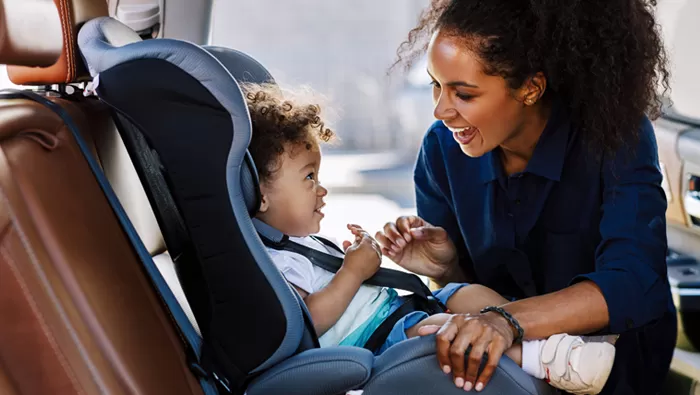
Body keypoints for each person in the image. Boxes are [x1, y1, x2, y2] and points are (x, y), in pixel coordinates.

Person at [376, 0, 677, 393]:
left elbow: (633, 282)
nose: (440, 111)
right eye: (436, 84)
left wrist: (507, 320)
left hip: (609, 364)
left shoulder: (614, 136)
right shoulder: (442, 150)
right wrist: (445, 269)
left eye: (463, 94)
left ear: (530, 89)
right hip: (505, 356)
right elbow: (470, 297)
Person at [243, 83, 617, 394]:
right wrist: (353, 273)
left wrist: (360, 260)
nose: (321, 190)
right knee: (446, 329)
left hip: (399, 310)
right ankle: (549, 361)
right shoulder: (273, 262)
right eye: (309, 178)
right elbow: (309, 321)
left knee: (464, 294)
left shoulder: (299, 245)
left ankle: (554, 340)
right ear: (259, 193)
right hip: (380, 337)